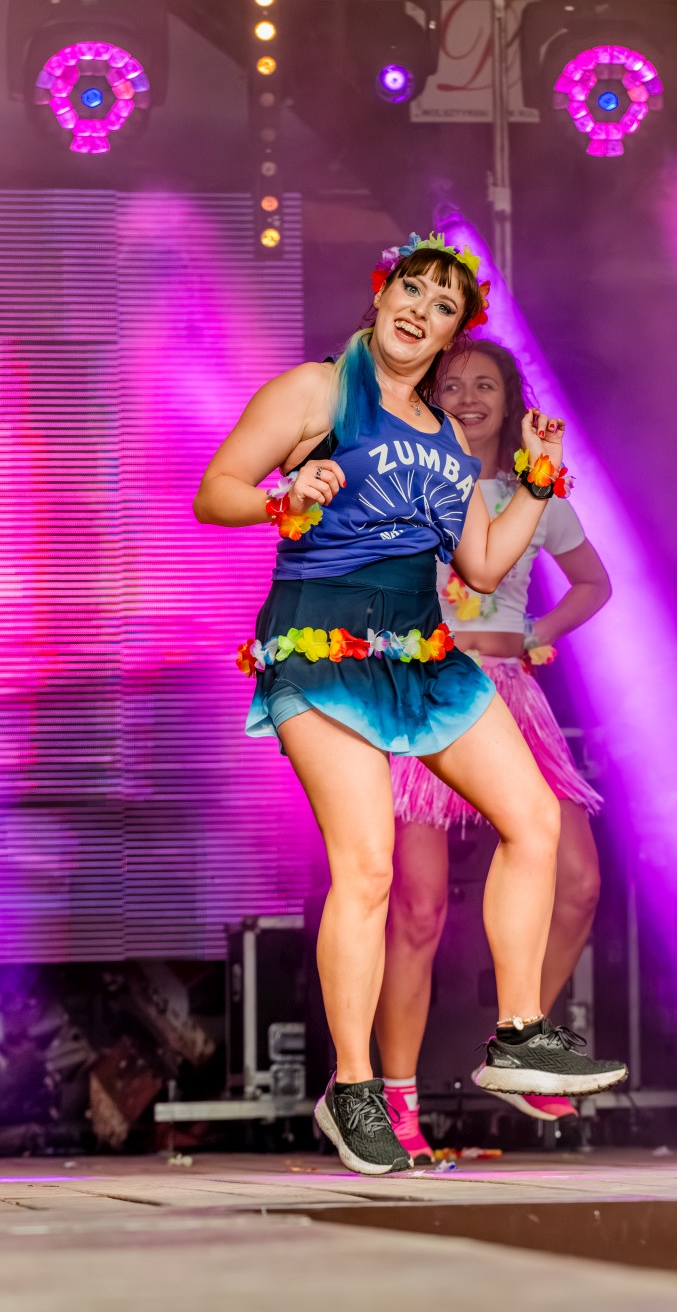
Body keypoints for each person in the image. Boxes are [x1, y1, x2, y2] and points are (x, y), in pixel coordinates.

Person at [194, 233, 627, 1174]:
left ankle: (519, 1034)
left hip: (423, 656)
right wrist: (281, 498)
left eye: (442, 306)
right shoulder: (317, 391)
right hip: (322, 651)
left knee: (534, 821)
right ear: (382, 293)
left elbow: (483, 564)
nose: (420, 311)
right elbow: (214, 491)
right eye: (412, 291)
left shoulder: (444, 438)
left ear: (450, 331)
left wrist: (539, 478)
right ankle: (354, 1089)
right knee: (370, 871)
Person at [377, 341, 612, 1162]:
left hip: (511, 696)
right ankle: (394, 1102)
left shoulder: (533, 492)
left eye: (485, 385)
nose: (469, 397)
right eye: (453, 385)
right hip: (429, 694)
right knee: (417, 908)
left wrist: (537, 632)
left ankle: (518, 1044)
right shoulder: (405, 484)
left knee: (578, 883)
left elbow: (594, 582)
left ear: (510, 401)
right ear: (429, 396)